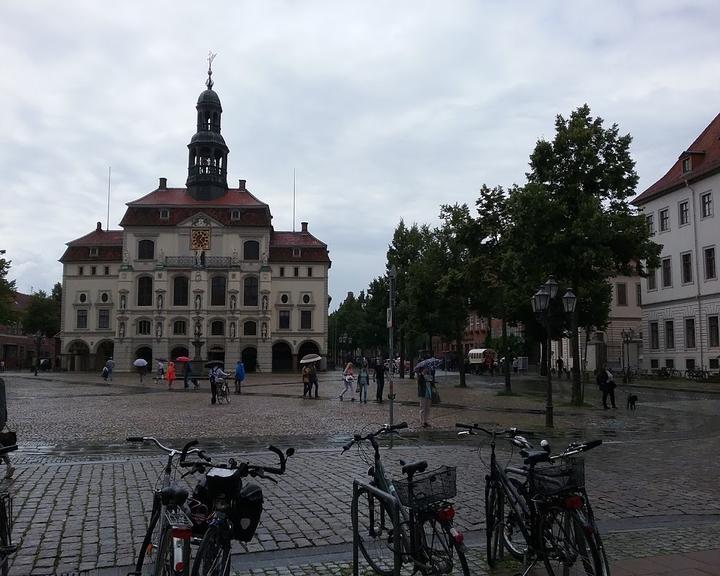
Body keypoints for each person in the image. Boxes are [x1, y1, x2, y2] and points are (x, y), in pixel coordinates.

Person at [0, 378, 15, 478]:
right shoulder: (1, 381)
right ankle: (9, 464)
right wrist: (4, 416)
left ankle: (9, 464)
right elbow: (3, 400)